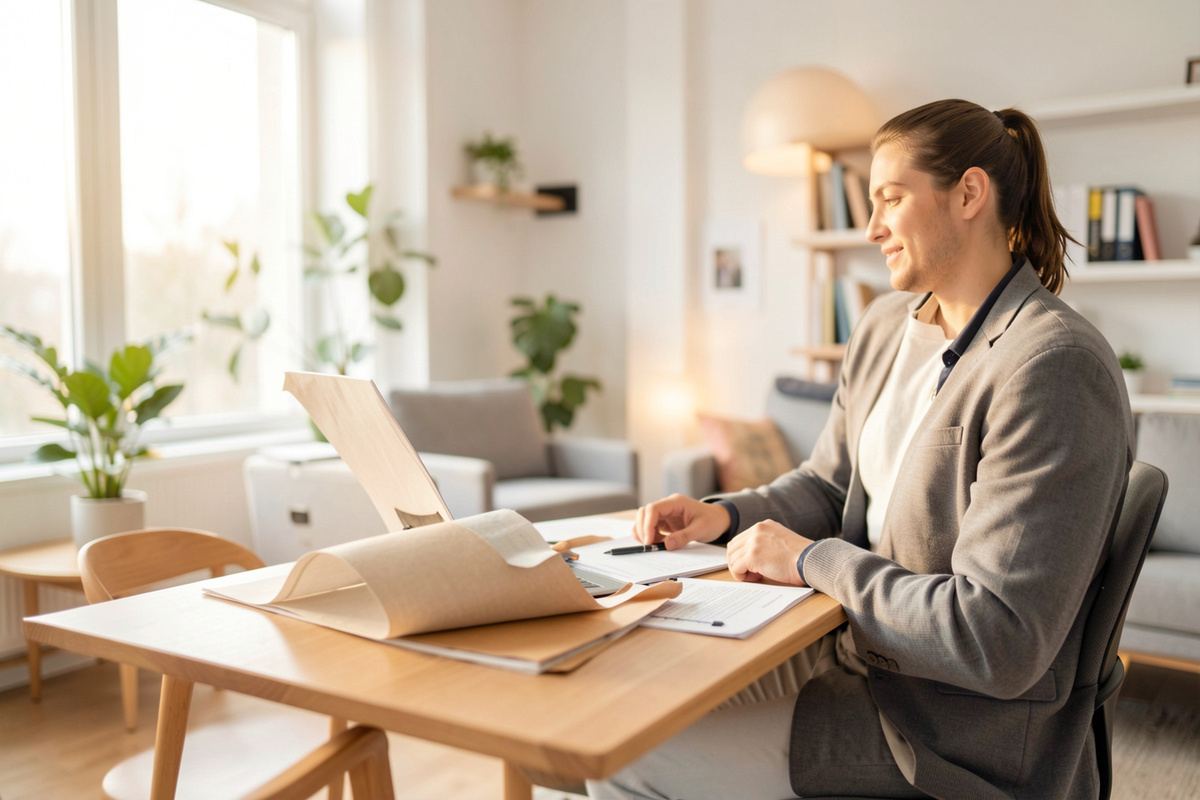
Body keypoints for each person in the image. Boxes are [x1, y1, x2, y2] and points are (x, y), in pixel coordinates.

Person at [587, 99, 1134, 800]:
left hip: (948, 726)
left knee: (627, 757)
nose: (871, 227)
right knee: (625, 703)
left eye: (891, 199)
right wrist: (724, 516)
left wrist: (812, 560)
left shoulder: (1051, 366)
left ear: (969, 194)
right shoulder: (884, 326)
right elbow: (830, 484)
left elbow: (995, 639)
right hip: (855, 655)